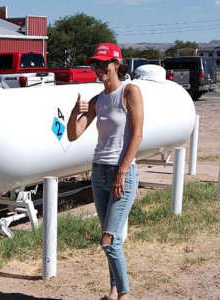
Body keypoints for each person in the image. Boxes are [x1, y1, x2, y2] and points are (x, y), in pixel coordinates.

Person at [67, 43, 144, 300]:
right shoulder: (98, 100)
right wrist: (72, 113)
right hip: (98, 172)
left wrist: (122, 170)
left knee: (108, 240)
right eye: (95, 65)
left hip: (122, 174)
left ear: (116, 64)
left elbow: (138, 134)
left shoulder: (130, 91)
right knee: (112, 240)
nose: (98, 69)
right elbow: (73, 134)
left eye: (103, 64)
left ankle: (124, 295)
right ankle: (112, 291)